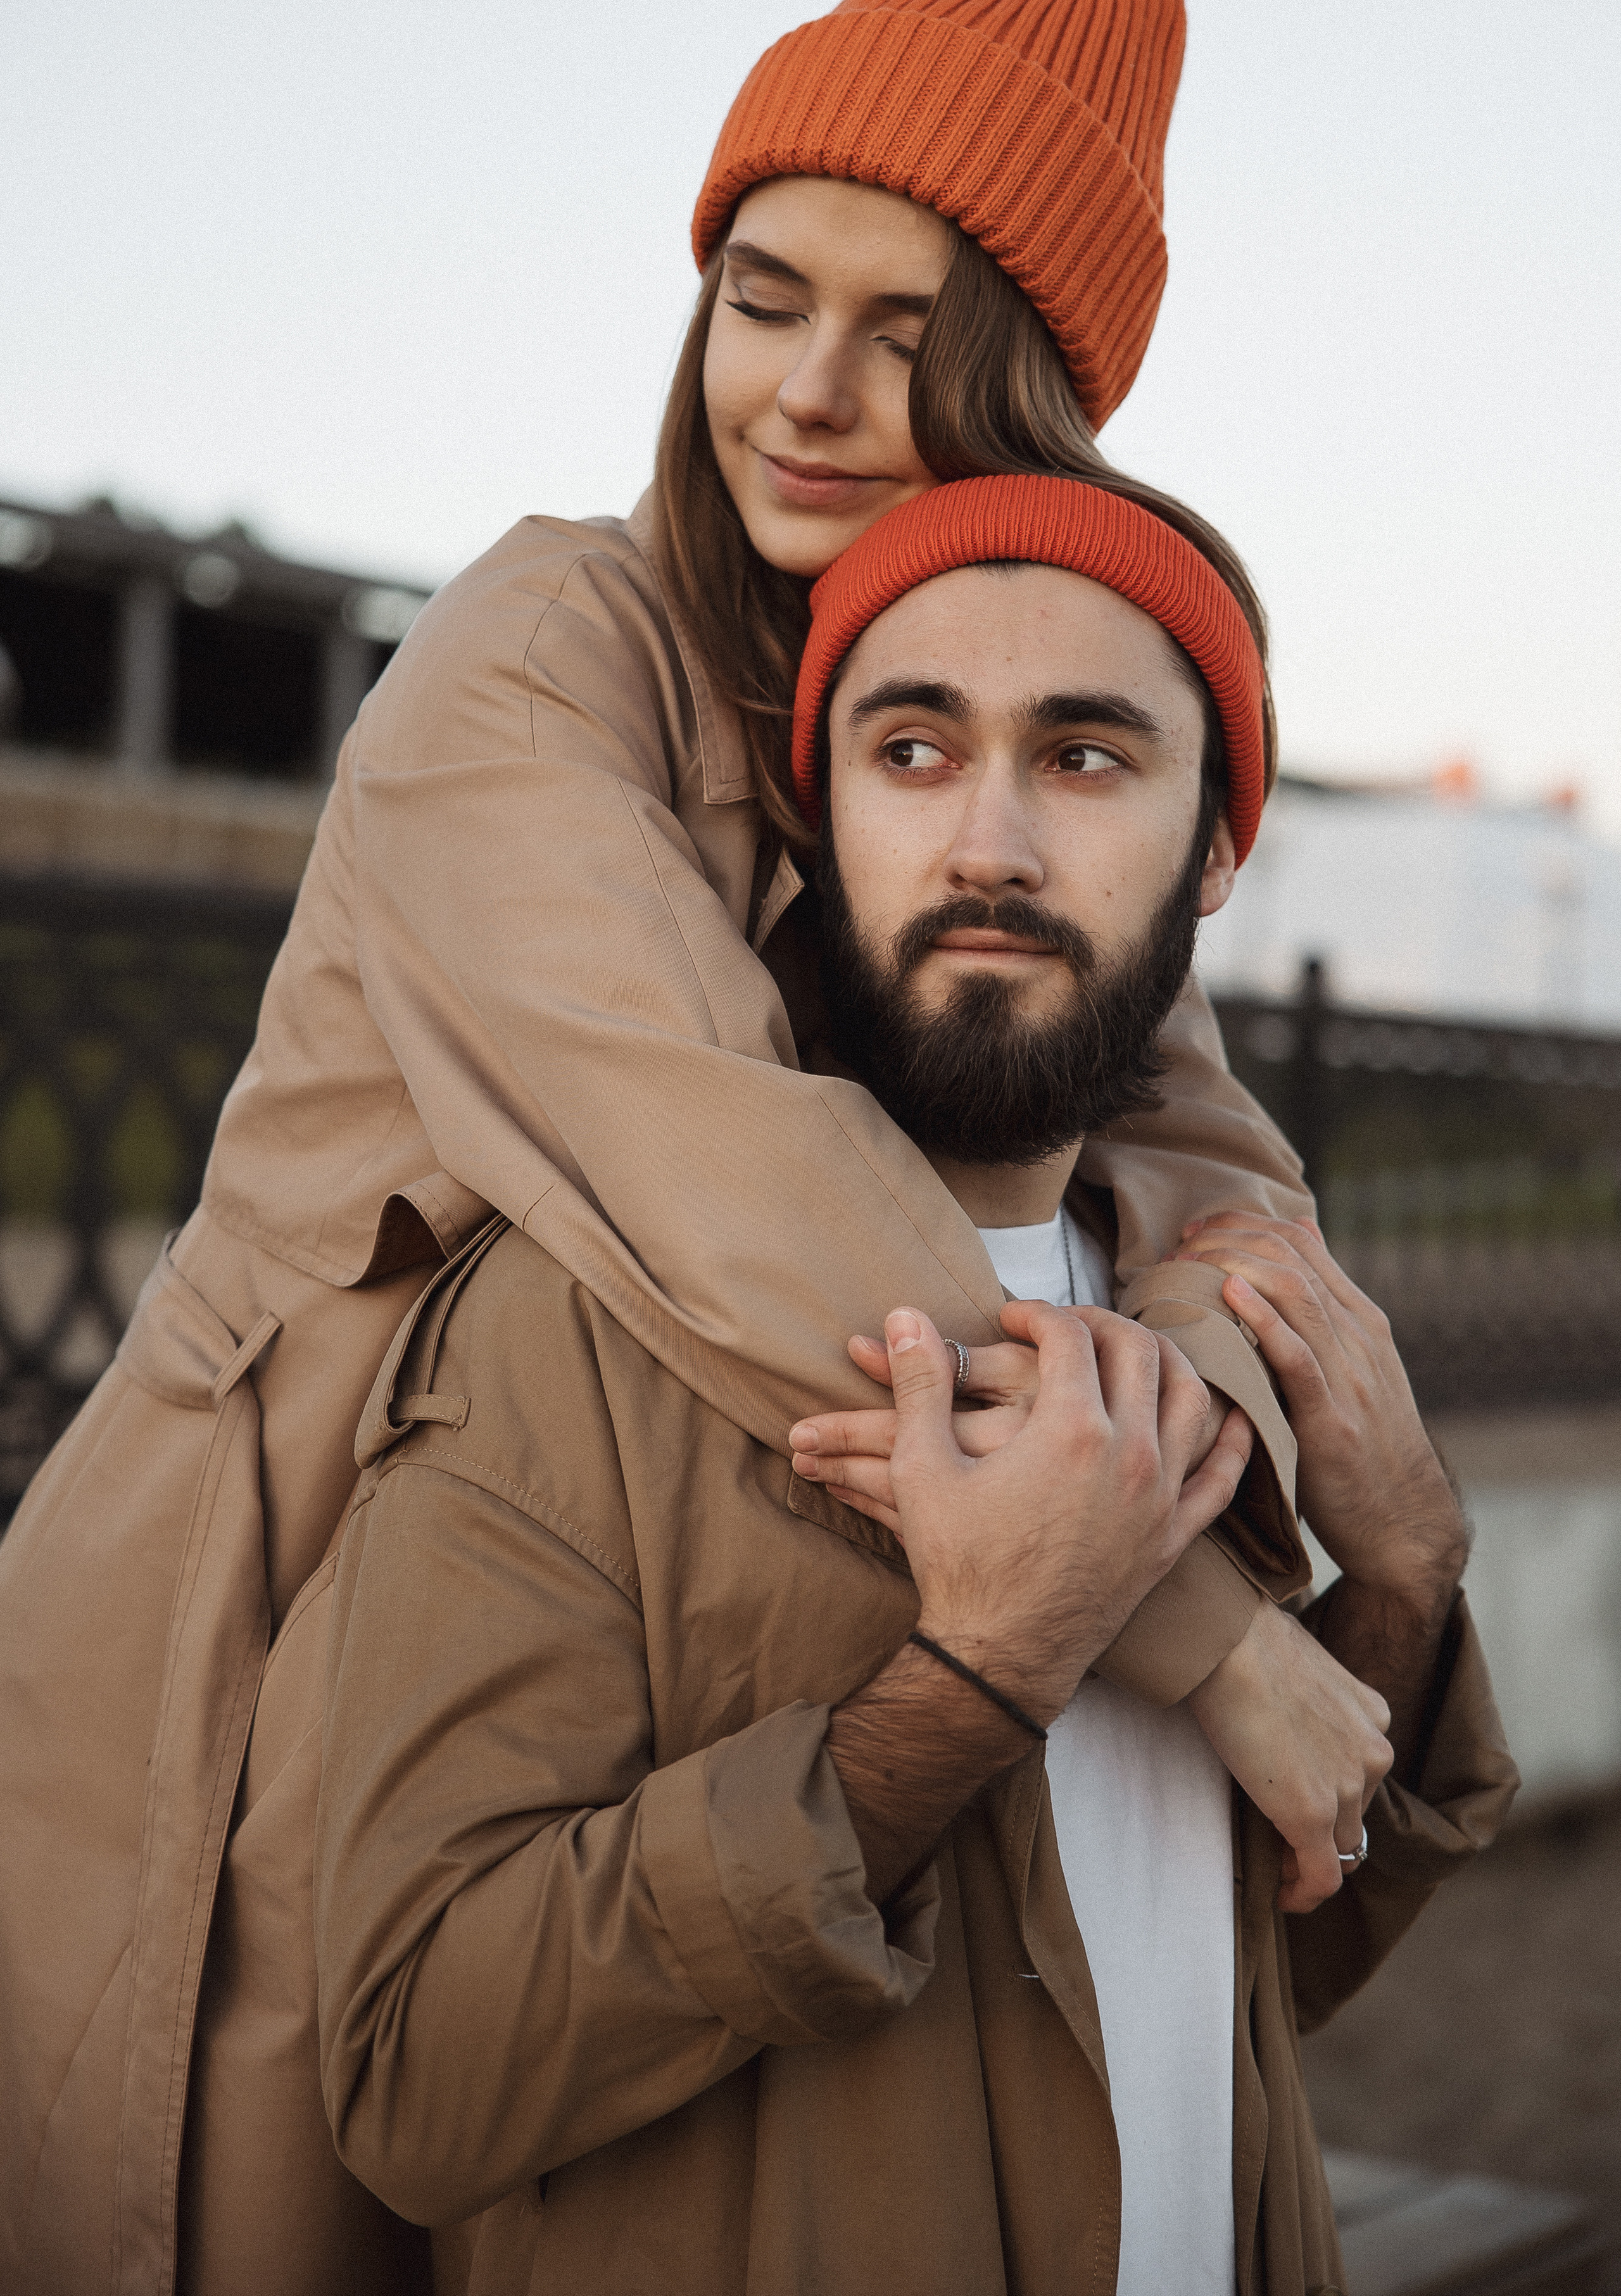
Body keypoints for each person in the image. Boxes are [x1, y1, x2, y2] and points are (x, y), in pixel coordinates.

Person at [1, 0, 1370, 2296]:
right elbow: (728, 1176)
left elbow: (1225, 1187)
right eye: (763, 292)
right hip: (298, 1596)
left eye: (912, 329)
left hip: (690, 1624)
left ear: (1036, 386)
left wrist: (1242, 1414)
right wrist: (1207, 1624)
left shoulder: (959, 719)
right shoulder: (544, 648)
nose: (810, 392)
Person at [313, 474, 1516, 2295]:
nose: (992, 847)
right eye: (914, 751)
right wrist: (978, 1680)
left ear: (1214, 851)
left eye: (1090, 757)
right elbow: (416, 2075)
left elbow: (1247, 1968)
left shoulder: (1222, 1332)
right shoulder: (567, 1336)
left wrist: (1410, 1573)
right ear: (825, 819)